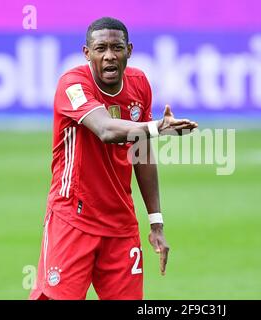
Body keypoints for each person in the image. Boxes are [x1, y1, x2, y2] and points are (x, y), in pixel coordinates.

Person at [29, 17, 198, 300]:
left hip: (121, 224)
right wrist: (157, 127)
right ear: (87, 53)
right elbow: (106, 130)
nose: (109, 55)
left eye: (117, 48)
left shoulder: (139, 85)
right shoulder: (72, 85)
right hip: (73, 217)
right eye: (101, 48)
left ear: (129, 50)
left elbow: (141, 151)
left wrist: (156, 222)